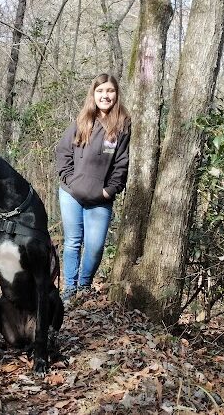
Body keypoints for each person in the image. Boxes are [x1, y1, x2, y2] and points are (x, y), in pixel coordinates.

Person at [55, 73, 131, 302]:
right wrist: (69, 179)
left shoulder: (122, 124)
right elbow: (62, 152)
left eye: (109, 91)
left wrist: (110, 190)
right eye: (100, 91)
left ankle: (84, 285)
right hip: (71, 195)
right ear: (93, 94)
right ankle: (70, 289)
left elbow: (122, 162)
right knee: (72, 243)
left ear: (116, 94)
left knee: (95, 247)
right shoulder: (83, 120)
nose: (105, 96)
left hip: (100, 198)